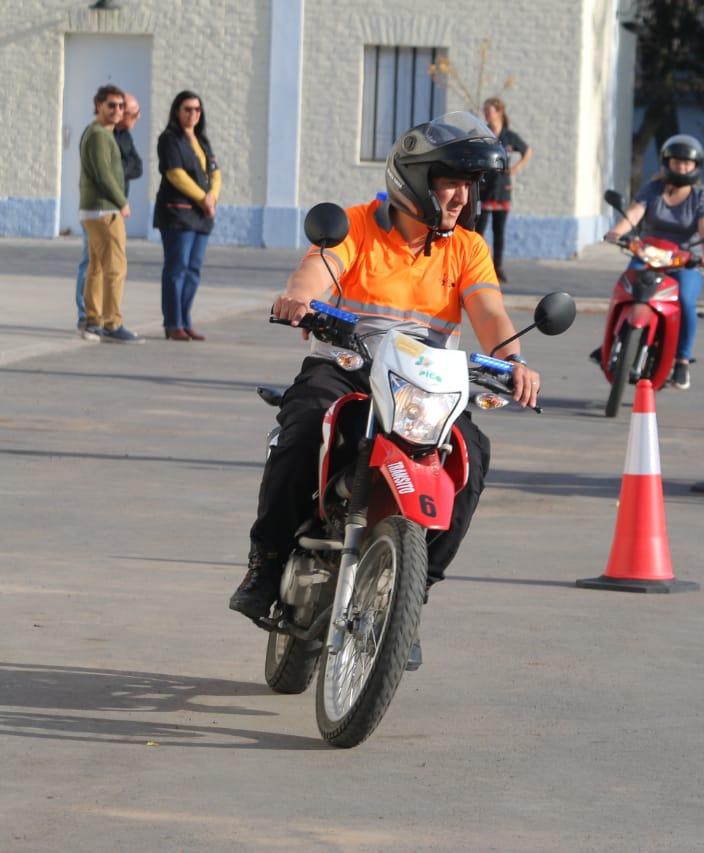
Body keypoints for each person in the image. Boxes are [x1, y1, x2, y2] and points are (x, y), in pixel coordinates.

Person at [229, 111, 541, 625]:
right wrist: (299, 299)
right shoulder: (355, 224)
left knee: (473, 455)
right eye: (450, 184)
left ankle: (412, 595)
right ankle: (265, 562)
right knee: (305, 424)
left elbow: (490, 313)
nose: (462, 197)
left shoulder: (467, 248)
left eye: (469, 186)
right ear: (417, 180)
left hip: (424, 387)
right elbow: (319, 268)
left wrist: (514, 361)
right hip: (348, 366)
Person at [600, 134, 704, 390]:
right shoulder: (652, 188)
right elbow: (633, 213)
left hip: (684, 260)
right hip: (647, 254)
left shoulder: (702, 196)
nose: (682, 167)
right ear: (667, 162)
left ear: (696, 166)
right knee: (624, 289)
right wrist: (617, 232)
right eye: (677, 162)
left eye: (688, 163)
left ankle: (682, 360)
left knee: (686, 300)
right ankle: (611, 340)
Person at [74, 92, 142, 339]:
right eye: (111, 105)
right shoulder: (100, 135)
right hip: (104, 210)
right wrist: (122, 202)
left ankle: (94, 321)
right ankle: (112, 323)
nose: (117, 110)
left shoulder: (98, 133)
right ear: (98, 106)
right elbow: (104, 175)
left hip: (94, 209)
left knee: (97, 267)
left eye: (121, 106)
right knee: (115, 267)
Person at [154, 90, 220, 341]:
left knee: (193, 269)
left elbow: (216, 172)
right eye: (187, 109)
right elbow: (175, 175)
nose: (193, 114)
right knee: (177, 268)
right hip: (178, 214)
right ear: (177, 111)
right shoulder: (169, 139)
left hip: (202, 215)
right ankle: (173, 323)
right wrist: (203, 198)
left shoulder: (202, 140)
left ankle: (185, 320)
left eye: (197, 109)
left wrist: (212, 196)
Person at [476, 97, 532, 284]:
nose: (486, 114)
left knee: (499, 231)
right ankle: (480, 265)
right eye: (484, 111)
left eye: (489, 110)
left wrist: (516, 168)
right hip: (484, 188)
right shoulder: (481, 133)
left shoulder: (509, 136)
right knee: (478, 231)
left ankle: (497, 268)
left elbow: (527, 151)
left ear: (499, 112)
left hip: (502, 189)